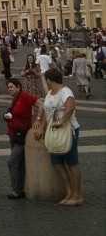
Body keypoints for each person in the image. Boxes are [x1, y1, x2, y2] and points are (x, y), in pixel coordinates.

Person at [40, 67, 83, 206]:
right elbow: (47, 112)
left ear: (49, 80)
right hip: (54, 132)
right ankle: (69, 192)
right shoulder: (50, 93)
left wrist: (61, 122)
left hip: (68, 130)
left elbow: (70, 107)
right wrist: (42, 127)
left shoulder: (65, 91)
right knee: (57, 163)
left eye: (46, 80)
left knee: (71, 162)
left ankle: (77, 195)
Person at [3, 78, 37, 199]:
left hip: (21, 135)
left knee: (11, 162)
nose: (9, 89)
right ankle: (21, 189)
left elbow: (39, 103)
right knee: (19, 163)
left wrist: (38, 121)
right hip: (13, 134)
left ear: (18, 87)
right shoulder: (15, 98)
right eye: (8, 87)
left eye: (11, 87)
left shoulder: (25, 96)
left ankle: (15, 190)